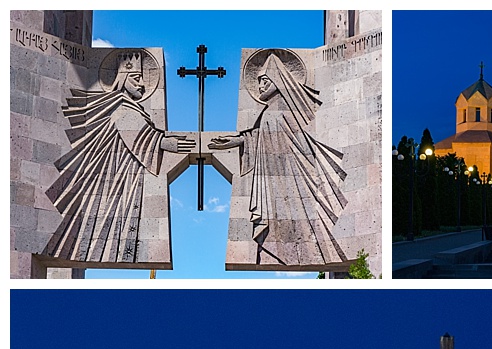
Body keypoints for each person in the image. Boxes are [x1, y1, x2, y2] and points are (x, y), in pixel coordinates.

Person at [44, 50, 194, 264]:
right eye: (136, 78)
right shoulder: (121, 108)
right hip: (112, 183)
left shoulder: (133, 108)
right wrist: (165, 142)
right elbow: (140, 136)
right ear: (123, 79)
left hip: (127, 179)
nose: (141, 84)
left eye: (142, 79)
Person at [209, 53, 348, 266]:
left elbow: (294, 143)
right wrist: (237, 141)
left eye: (264, 82)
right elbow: (261, 139)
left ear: (277, 80)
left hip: (293, 183)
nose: (260, 88)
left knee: (303, 232)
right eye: (258, 83)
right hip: (275, 186)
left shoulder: (284, 110)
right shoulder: (268, 112)